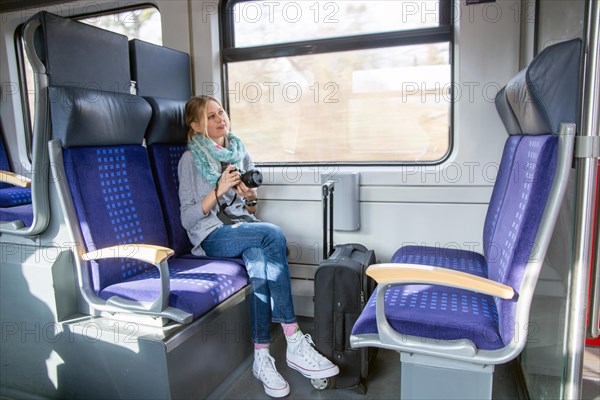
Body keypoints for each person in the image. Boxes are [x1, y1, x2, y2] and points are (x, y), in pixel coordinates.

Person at [178, 95, 339, 398]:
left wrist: (249, 196)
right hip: (211, 235)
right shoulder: (190, 160)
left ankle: (261, 357)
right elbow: (188, 219)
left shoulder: (239, 152)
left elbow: (250, 211)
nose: (219, 119)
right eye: (210, 116)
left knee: (260, 266)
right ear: (196, 125)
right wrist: (218, 189)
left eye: (221, 112)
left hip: (243, 230)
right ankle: (293, 338)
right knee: (272, 234)